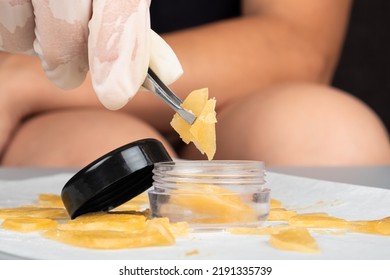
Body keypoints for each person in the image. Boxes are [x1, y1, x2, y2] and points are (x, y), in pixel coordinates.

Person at [0, 0, 389, 167]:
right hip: (45, 119)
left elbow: (296, 43)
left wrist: (19, 82)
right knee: (117, 165)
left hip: (242, 98)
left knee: (334, 139)